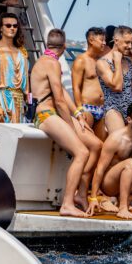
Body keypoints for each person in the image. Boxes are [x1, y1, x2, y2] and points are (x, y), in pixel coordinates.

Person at [30, 29, 94, 217]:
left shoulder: (44, 61)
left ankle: (80, 195)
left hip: (48, 114)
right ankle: (67, 203)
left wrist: (77, 115)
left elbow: (61, 96)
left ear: (47, 45)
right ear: (64, 47)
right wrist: (70, 126)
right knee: (82, 152)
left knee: (93, 145)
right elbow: (58, 99)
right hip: (46, 115)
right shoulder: (52, 64)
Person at [96, 25, 132, 134]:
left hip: (130, 110)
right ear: (116, 41)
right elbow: (117, 87)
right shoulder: (102, 63)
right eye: (127, 42)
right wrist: (117, 63)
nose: (130, 46)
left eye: (131, 43)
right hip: (113, 110)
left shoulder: (128, 61)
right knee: (122, 142)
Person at [0, 12, 28, 123]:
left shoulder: (22, 51)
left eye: (15, 26)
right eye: (8, 25)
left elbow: (26, 82)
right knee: (3, 136)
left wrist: (30, 102)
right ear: (0, 28)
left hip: (20, 101)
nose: (12, 28)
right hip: (2, 98)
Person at [71, 27, 107, 138]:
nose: (104, 43)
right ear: (91, 40)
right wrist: (79, 110)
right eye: (101, 40)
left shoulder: (102, 61)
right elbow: (75, 87)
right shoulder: (81, 60)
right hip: (87, 109)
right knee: (88, 144)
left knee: (102, 146)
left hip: (102, 108)